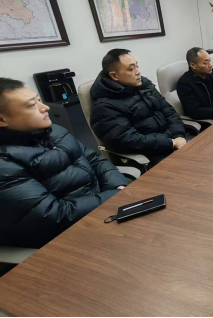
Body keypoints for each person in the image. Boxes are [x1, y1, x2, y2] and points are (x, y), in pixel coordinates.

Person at [0, 78, 128, 248]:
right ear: (2, 120)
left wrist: (117, 186)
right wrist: (114, 196)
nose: (45, 107)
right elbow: (53, 215)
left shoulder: (54, 132)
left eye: (39, 100)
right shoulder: (5, 164)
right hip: (65, 236)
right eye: (31, 105)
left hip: (101, 209)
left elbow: (95, 159)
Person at [90, 49, 187, 166]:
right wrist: (170, 143)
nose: (138, 72)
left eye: (137, 66)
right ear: (114, 75)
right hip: (150, 156)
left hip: (173, 142)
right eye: (131, 69)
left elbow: (169, 111)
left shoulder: (145, 86)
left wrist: (178, 136)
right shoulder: (104, 107)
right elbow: (128, 140)